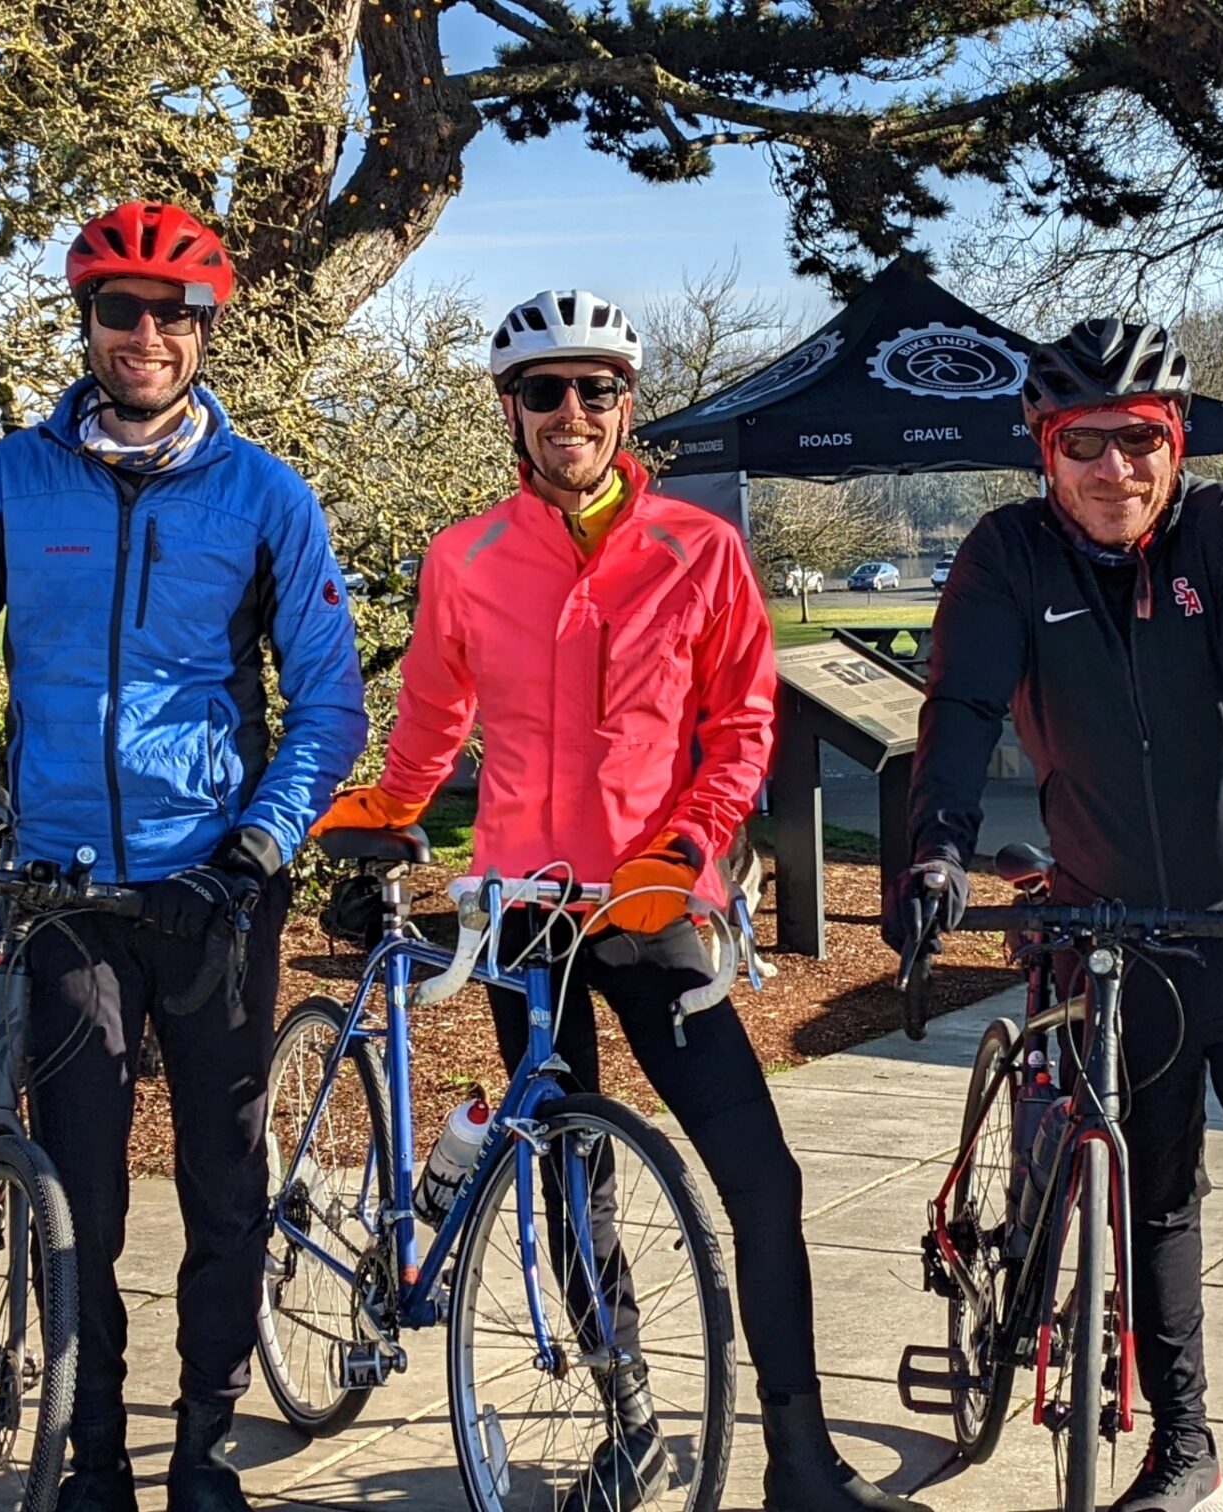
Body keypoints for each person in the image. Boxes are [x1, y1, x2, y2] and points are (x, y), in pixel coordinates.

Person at [309, 290, 930, 1512]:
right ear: (511, 412)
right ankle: (628, 1414)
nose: (572, 412)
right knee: (563, 1174)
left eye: (595, 389)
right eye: (545, 391)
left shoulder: (698, 549)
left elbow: (740, 728)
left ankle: (799, 1464)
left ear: (626, 405)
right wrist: (392, 804)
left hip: (653, 903)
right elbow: (435, 718)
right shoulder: (467, 556)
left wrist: (685, 848)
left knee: (761, 1178)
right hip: (523, 911)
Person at [0, 200, 369, 1512]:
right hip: (66, 896)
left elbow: (327, 700)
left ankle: (200, 1441)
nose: (143, 334)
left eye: (171, 312)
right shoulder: (10, 483)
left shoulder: (265, 498)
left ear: (205, 328)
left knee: (222, 1175)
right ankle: (95, 1455)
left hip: (211, 892)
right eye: (118, 310)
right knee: (79, 1191)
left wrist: (260, 845)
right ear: (86, 323)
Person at [891, 318, 1223, 1512]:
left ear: (1176, 441)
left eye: (1139, 441)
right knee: (1151, 1197)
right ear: (1044, 452)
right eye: (1083, 444)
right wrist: (935, 849)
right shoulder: (1007, 556)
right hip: (1112, 938)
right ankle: (1182, 1445)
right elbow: (959, 708)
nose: (1115, 472)